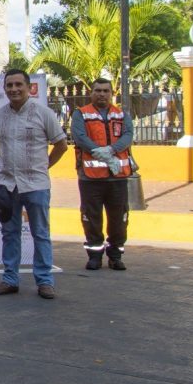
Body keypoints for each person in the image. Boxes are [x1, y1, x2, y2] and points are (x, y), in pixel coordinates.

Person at [0, 69, 69, 299]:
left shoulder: (43, 114)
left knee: (40, 234)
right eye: (9, 85)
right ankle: (10, 279)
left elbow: (61, 145)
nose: (13, 89)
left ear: (29, 87)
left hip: (36, 185)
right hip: (8, 185)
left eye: (18, 85)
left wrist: (43, 167)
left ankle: (45, 281)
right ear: (4, 88)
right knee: (9, 233)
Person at [71, 78, 135, 271]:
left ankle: (115, 256)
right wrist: (100, 152)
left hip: (117, 176)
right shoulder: (81, 114)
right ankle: (95, 256)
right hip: (90, 177)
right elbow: (79, 137)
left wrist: (111, 150)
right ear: (92, 92)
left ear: (111, 93)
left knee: (119, 218)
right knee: (91, 217)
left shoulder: (122, 114)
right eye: (98, 90)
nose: (102, 94)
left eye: (106, 91)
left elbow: (128, 135)